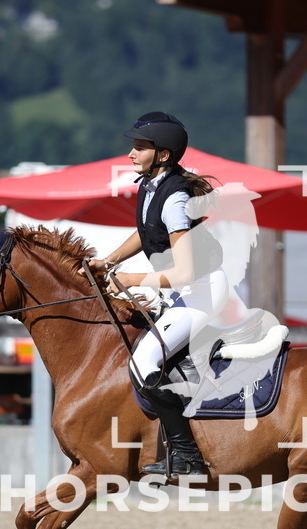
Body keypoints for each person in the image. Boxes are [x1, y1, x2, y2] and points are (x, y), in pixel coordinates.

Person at [85, 112, 223, 478]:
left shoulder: (175, 197)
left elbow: (185, 271)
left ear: (162, 155)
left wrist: (131, 278)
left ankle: (187, 455)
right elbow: (147, 234)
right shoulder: (150, 186)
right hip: (183, 293)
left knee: (144, 361)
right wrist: (109, 260)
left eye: (139, 147)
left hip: (201, 292)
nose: (130, 153)